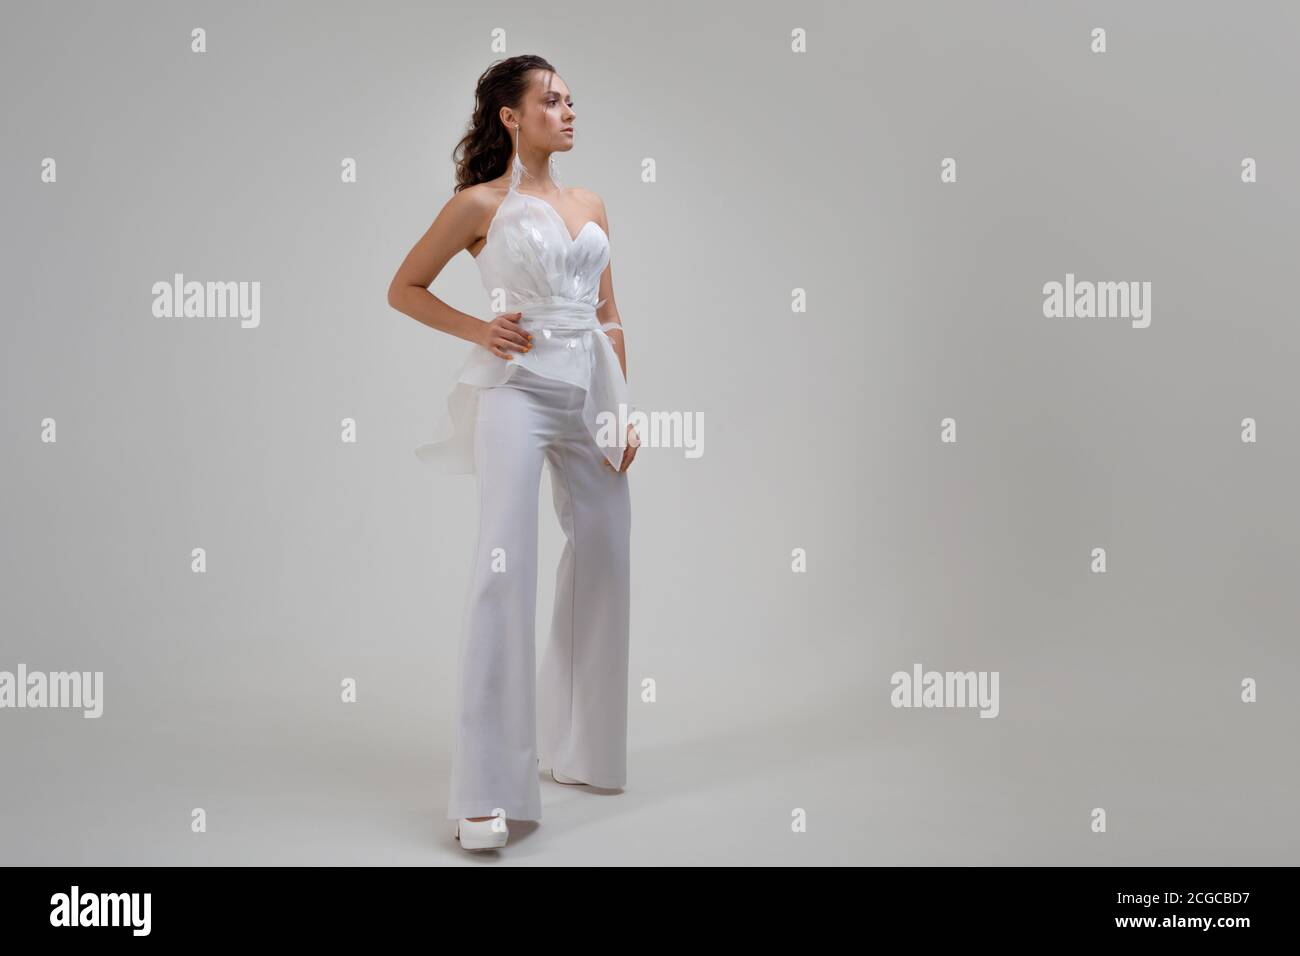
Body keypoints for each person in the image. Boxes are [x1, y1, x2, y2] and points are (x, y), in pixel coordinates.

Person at [386, 55, 640, 851]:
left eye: (571, 100)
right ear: (510, 115)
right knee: (505, 569)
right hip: (516, 396)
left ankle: (581, 747)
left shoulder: (590, 201)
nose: (568, 112)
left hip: (586, 397)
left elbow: (609, 314)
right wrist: (478, 328)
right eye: (551, 100)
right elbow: (406, 286)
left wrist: (622, 411)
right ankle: (485, 792)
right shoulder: (479, 204)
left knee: (606, 555)